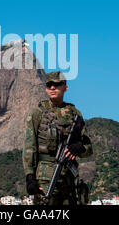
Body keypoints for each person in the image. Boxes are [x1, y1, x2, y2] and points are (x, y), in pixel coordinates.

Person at [22, 71, 93, 205]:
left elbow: (89, 148)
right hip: (45, 178)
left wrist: (80, 148)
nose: (53, 88)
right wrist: (30, 177)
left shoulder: (75, 114)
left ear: (65, 87)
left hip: (69, 180)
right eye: (49, 85)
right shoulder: (37, 113)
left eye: (56, 84)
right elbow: (29, 147)